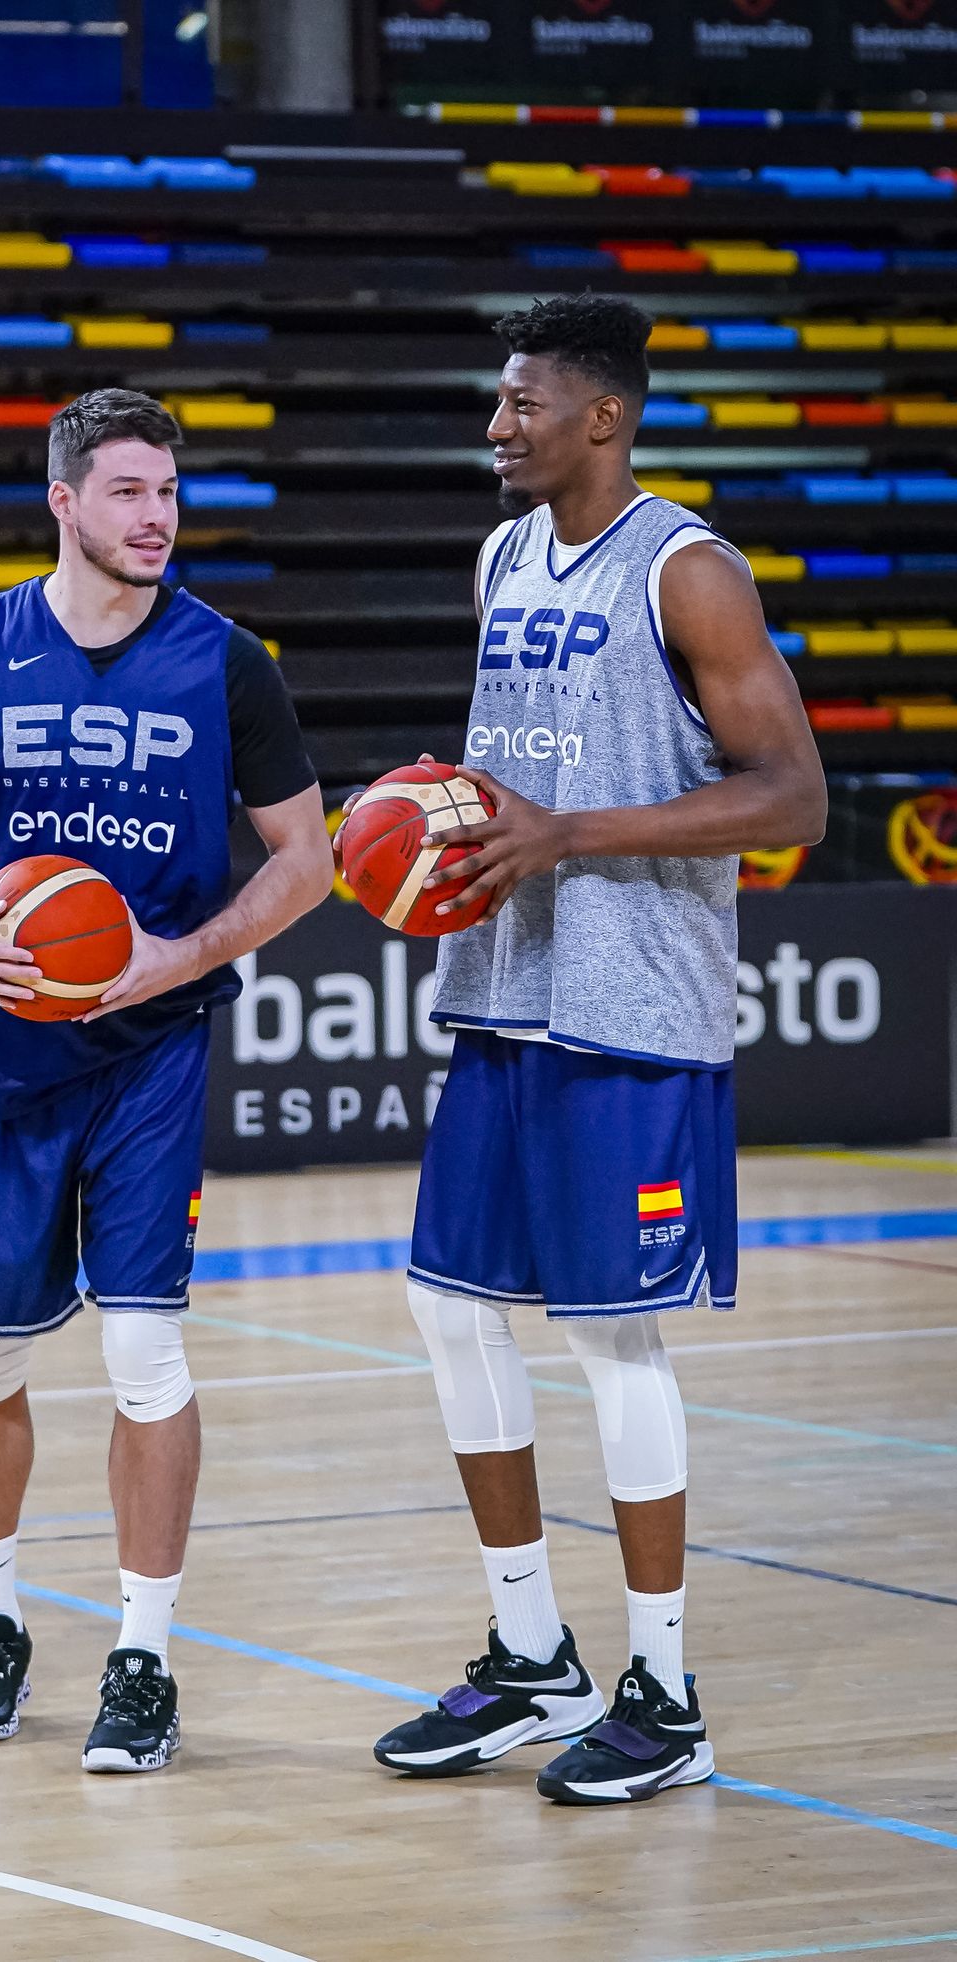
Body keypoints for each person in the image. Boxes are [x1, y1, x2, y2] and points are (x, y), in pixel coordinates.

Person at [355, 296, 826, 1803]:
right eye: (498, 402)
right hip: (504, 986)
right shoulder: (502, 556)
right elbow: (523, 769)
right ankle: (530, 1654)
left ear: (603, 417)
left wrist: (570, 834)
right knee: (448, 1307)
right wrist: (436, 829)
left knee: (615, 1333)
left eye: (522, 403)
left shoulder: (689, 570)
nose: (497, 425)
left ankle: (666, 1694)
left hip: (634, 1004)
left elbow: (794, 796)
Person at [0, 387, 331, 1772]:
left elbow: (307, 861)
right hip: (1, 1050)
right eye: (128, 491)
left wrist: (178, 956)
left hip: (151, 1048)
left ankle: (143, 1655)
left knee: (145, 1353)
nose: (157, 516)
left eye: (169, 492)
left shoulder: (228, 662)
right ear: (64, 501)